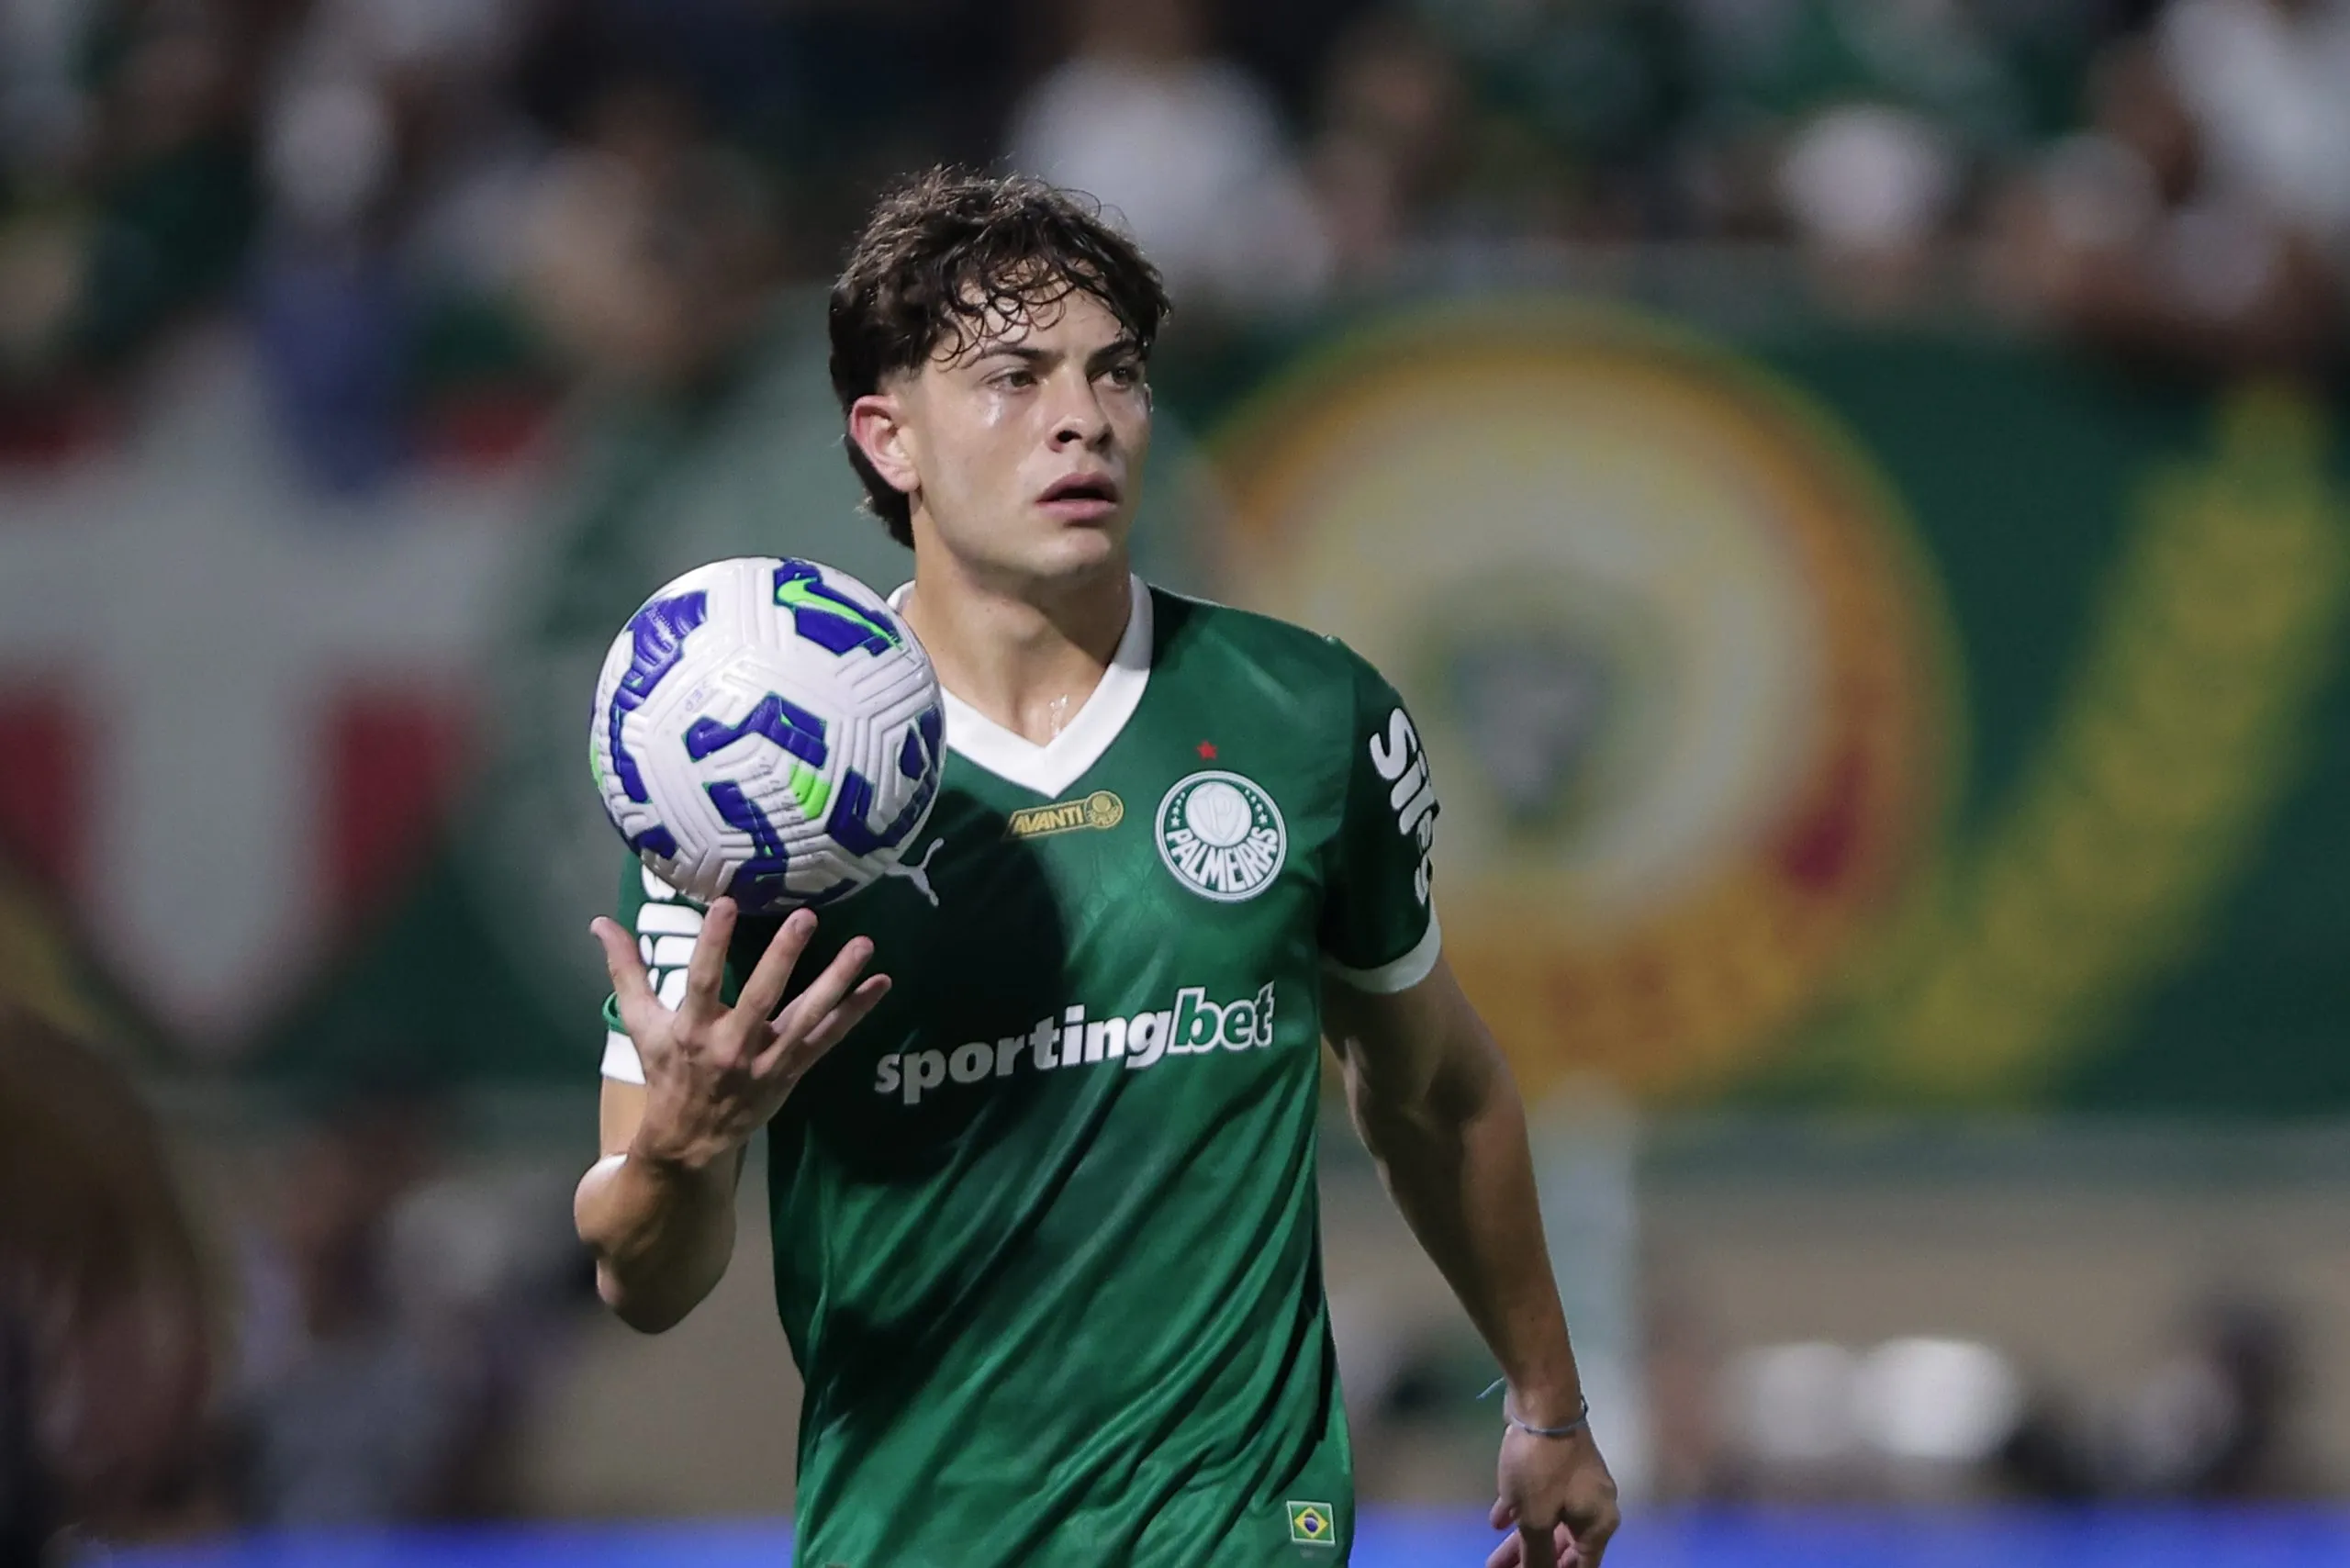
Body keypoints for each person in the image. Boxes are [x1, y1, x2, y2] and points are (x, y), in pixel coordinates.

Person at [574, 169, 1618, 1568]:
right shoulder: (748, 810)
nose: (1083, 418)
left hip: (1247, 1527)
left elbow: (1436, 1090)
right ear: (890, 440)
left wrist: (1548, 1403)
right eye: (1012, 377)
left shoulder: (1304, 717)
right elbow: (641, 1277)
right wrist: (689, 1154)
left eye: (1115, 373)